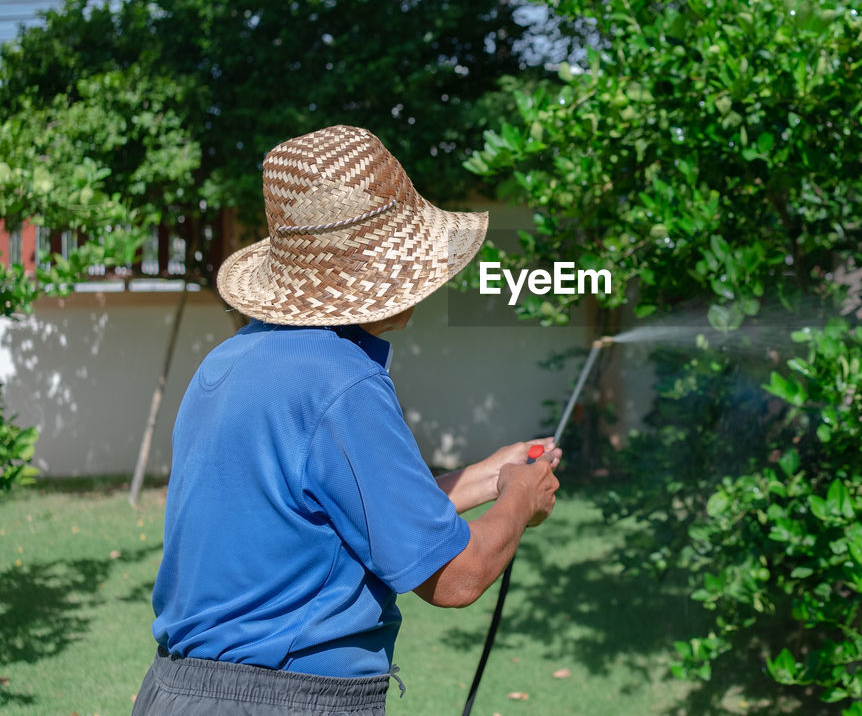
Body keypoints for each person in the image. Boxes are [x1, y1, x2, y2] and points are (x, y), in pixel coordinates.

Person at [133, 125, 560, 715]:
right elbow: (457, 578)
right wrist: (520, 499)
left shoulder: (230, 361)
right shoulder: (341, 380)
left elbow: (335, 512)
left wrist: (490, 477)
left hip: (178, 693)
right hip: (283, 700)